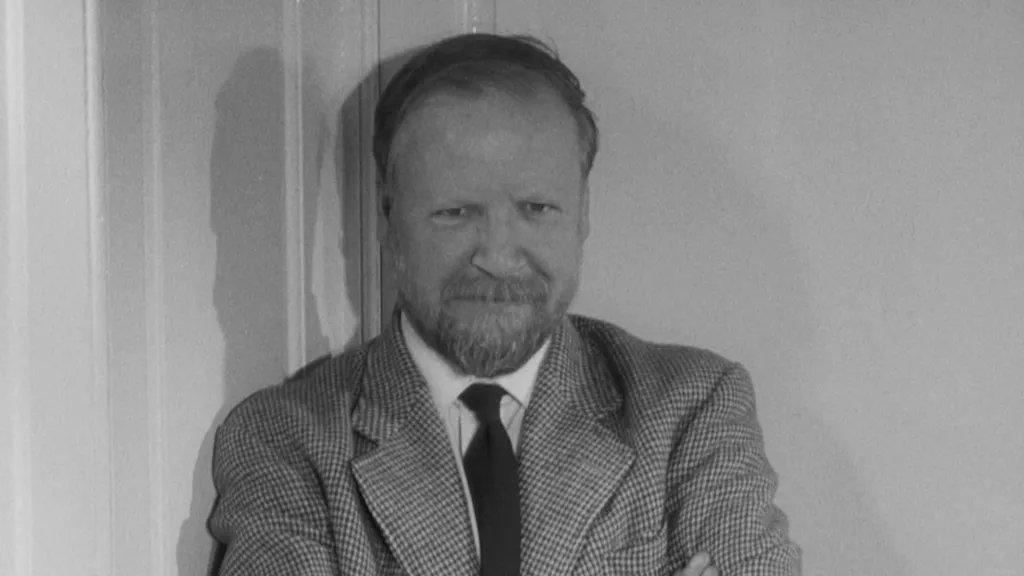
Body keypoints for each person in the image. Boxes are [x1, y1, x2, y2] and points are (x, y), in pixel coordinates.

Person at [208, 33, 800, 575]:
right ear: (389, 221)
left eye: (537, 208)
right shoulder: (285, 440)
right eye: (455, 212)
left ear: (583, 215)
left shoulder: (692, 407)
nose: (496, 253)